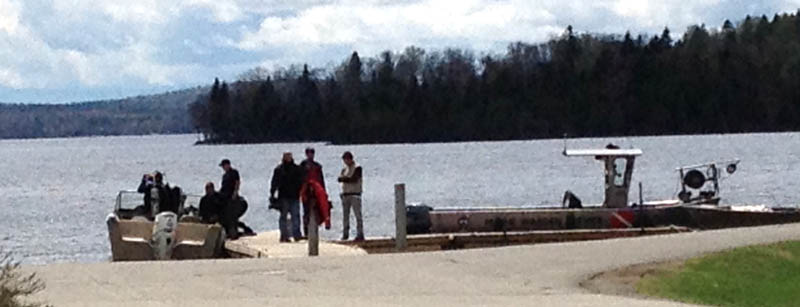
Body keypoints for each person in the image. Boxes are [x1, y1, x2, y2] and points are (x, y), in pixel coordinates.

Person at [270, 152, 304, 242]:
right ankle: (283, 236)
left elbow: (301, 181)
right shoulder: (279, 169)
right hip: (283, 196)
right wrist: (272, 194)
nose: (288, 158)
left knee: (295, 216)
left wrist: (301, 192)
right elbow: (274, 183)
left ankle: (297, 235)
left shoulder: (297, 169)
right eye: (286, 157)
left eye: (289, 156)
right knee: (283, 217)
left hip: (294, 196)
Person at [219, 159, 251, 239]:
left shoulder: (234, 172)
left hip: (231, 196)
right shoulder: (225, 176)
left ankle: (234, 232)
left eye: (224, 166)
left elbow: (237, 183)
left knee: (232, 215)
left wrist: (235, 193)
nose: (223, 168)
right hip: (225, 197)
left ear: (228, 165)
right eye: (222, 166)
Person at [299, 147, 326, 237]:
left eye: (312, 153)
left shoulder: (318, 166)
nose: (310, 155)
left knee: (317, 210)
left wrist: (324, 191)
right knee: (306, 211)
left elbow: (321, 179)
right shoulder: (302, 165)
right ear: (306, 154)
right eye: (309, 153)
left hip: (317, 190)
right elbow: (299, 178)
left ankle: (315, 230)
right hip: (306, 190)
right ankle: (306, 232)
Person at [337, 151, 364, 241]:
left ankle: (360, 234)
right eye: (344, 160)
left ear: (350, 159)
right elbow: (339, 179)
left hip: (355, 194)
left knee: (358, 216)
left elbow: (354, 179)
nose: (345, 162)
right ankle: (345, 234)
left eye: (346, 159)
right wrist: (344, 179)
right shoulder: (344, 169)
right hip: (345, 195)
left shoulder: (357, 167)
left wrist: (344, 179)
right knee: (345, 216)